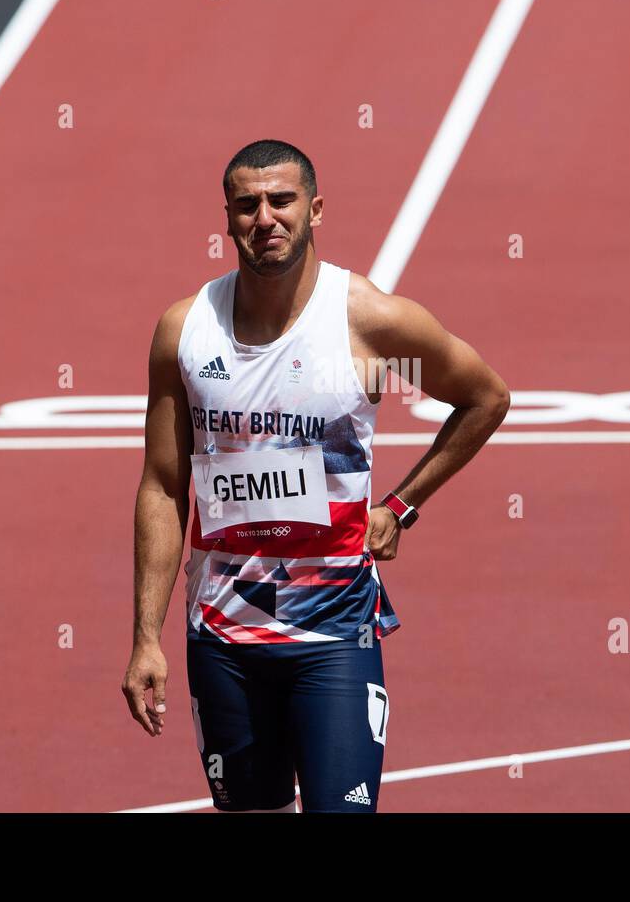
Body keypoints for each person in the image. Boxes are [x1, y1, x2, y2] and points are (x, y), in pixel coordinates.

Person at [122, 139, 509, 812]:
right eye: (246, 205)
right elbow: (161, 486)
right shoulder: (186, 332)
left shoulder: (367, 323)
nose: (264, 218)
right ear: (227, 218)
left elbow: (485, 398)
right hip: (222, 636)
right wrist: (145, 638)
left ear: (315, 209)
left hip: (333, 636)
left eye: (281, 200)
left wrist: (402, 504)